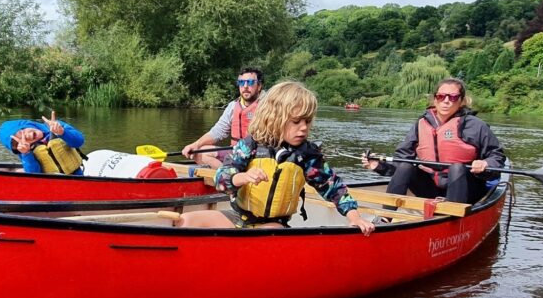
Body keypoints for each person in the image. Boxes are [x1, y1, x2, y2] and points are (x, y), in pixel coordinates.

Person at [177, 81, 375, 234]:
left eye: (307, 121)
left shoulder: (307, 155)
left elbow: (333, 187)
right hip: (238, 218)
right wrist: (242, 177)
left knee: (265, 234)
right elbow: (221, 180)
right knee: (186, 221)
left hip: (272, 226)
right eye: (296, 122)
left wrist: (355, 217)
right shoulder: (250, 144)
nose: (304, 128)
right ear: (274, 118)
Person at [361, 77, 506, 204]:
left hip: (467, 189)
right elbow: (401, 159)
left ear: (461, 101)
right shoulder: (421, 124)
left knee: (456, 168)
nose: (446, 101)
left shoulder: (476, 126)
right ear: (435, 99)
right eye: (441, 96)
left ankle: (452, 218)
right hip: (430, 188)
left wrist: (486, 164)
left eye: (453, 97)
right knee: (406, 165)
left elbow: (497, 157)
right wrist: (379, 166)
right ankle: (386, 217)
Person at [181, 67, 264, 170]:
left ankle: (233, 174)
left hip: (259, 155)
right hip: (236, 153)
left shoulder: (268, 106)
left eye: (250, 82)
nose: (245, 86)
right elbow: (218, 131)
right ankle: (228, 174)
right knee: (199, 152)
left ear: (259, 86)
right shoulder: (233, 106)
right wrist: (195, 145)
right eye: (241, 82)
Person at [0, 111, 86, 174]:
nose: (27, 136)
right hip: (53, 184)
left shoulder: (55, 125)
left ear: (27, 125)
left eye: (22, 132)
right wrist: (26, 154)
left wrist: (62, 132)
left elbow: (79, 141)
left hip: (77, 177)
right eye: (21, 139)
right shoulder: (25, 150)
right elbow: (34, 174)